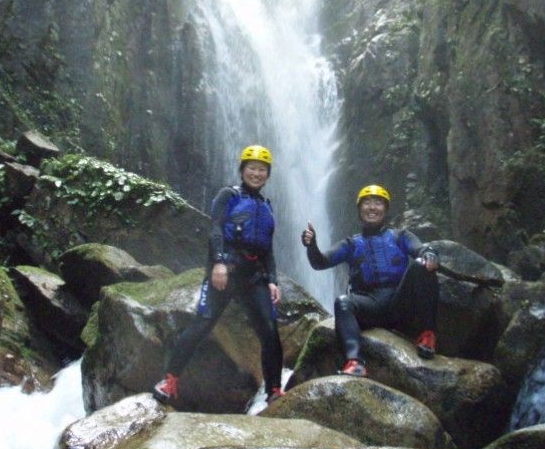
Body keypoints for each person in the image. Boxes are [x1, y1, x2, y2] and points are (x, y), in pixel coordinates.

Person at [153, 145, 285, 404]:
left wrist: (273, 280)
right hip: (227, 270)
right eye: (252, 168)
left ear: (267, 175)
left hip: (253, 276)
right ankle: (170, 380)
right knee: (203, 323)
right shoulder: (229, 195)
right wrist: (219, 263)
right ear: (242, 170)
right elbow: (215, 229)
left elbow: (267, 248)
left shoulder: (267, 206)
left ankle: (274, 390)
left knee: (270, 331)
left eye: (262, 170)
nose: (256, 174)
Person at [301, 184, 440, 377]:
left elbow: (421, 249)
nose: (372, 207)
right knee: (343, 302)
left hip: (401, 302)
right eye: (367, 203)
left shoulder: (400, 236)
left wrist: (429, 254)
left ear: (385, 209)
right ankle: (355, 361)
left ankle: (427, 334)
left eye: (378, 203)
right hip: (370, 305)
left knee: (421, 265)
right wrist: (311, 246)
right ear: (359, 210)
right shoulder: (351, 244)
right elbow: (320, 262)